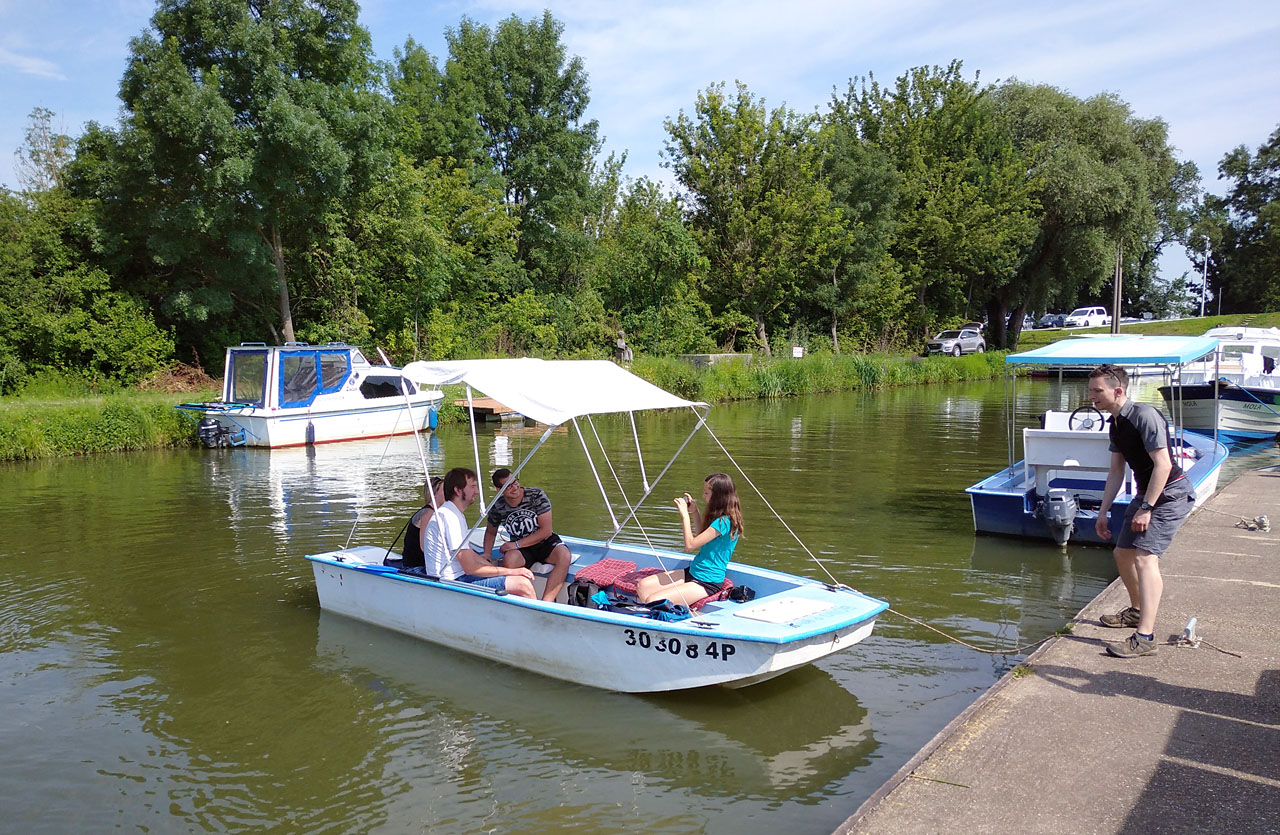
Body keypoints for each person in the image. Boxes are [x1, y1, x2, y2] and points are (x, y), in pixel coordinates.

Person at [1089, 364, 1196, 658]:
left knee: (1145, 558)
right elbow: (1115, 471)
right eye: (1091, 391)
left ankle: (1145, 637)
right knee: (1122, 554)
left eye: (1098, 391)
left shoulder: (1144, 416)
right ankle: (1136, 611)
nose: (1092, 396)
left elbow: (1162, 465)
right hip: (1145, 493)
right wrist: (1103, 511)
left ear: (1118, 390)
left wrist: (1147, 508)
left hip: (1170, 493)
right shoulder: (1116, 423)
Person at [423, 467, 536, 598]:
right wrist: (513, 571)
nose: (476, 492)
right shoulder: (449, 517)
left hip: (458, 577)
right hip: (451, 582)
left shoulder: (454, 513)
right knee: (522, 584)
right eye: (472, 487)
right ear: (458, 490)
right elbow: (470, 568)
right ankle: (541, 618)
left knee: (512, 578)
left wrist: (499, 570)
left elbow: (470, 553)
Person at [637, 472, 743, 607]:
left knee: (653, 600)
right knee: (643, 586)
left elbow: (690, 545)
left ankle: (658, 612)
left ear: (718, 496)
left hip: (707, 582)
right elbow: (701, 537)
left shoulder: (724, 522)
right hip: (693, 571)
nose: (703, 496)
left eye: (706, 493)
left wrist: (684, 516)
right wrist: (694, 512)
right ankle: (655, 611)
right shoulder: (719, 518)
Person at [481, 468, 571, 602]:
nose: (515, 487)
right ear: (499, 490)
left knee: (564, 556)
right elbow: (490, 532)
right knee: (509, 559)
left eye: (515, 482)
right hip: (521, 549)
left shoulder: (536, 495)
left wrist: (514, 544)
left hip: (544, 542)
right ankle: (523, 599)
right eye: (508, 486)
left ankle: (547, 602)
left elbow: (546, 530)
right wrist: (487, 553)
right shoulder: (497, 506)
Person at [393, 475, 444, 569]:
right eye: (444, 490)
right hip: (415, 567)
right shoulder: (428, 514)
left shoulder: (432, 512)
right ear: (435, 493)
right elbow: (425, 547)